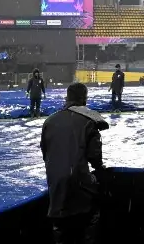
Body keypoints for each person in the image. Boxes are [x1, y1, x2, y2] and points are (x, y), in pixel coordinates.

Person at [40, 83, 109, 244]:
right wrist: (100, 171)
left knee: (61, 229)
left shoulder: (49, 122)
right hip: (79, 185)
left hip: (56, 186)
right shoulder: (89, 121)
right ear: (84, 99)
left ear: (67, 98)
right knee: (90, 220)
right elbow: (94, 156)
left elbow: (45, 153)